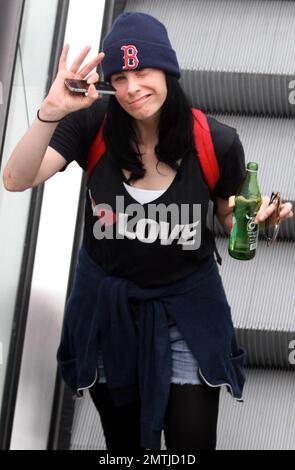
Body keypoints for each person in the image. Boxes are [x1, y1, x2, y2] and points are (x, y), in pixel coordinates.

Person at [3, 12, 293, 451]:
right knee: (125, 446)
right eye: (119, 77)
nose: (132, 88)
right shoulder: (91, 125)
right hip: (106, 308)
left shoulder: (216, 142)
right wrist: (50, 111)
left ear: (168, 70)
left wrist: (255, 222)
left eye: (143, 71)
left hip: (187, 310)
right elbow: (16, 179)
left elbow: (232, 220)